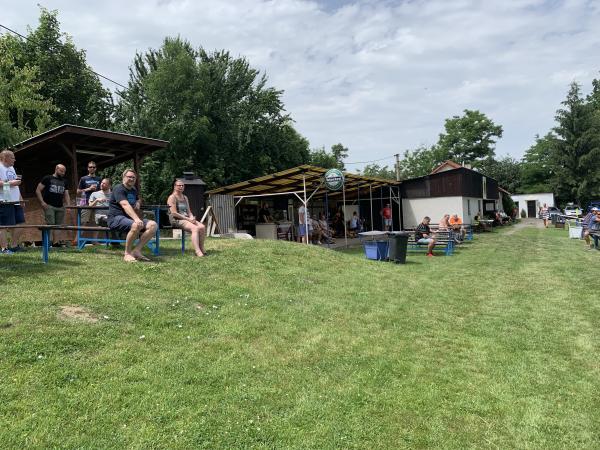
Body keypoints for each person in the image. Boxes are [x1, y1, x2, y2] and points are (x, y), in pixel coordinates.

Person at [107, 168, 157, 262]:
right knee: (136, 224)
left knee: (153, 225)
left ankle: (137, 251)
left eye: (133, 177)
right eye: (129, 177)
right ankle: (127, 254)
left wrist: (138, 201)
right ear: (123, 177)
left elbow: (138, 198)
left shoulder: (133, 189)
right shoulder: (119, 188)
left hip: (129, 219)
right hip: (115, 218)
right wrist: (137, 219)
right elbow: (125, 205)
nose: (131, 179)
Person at [167, 179, 206, 257]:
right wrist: (188, 219)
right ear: (175, 187)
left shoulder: (185, 197)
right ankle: (197, 251)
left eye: (182, 185)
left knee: (202, 227)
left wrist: (191, 217)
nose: (181, 187)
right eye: (179, 185)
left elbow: (189, 211)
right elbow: (174, 213)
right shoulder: (172, 197)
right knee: (195, 228)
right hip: (176, 220)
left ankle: (201, 247)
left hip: (187, 219)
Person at [36, 164, 70, 247]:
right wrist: (42, 202)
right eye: (61, 171)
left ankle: (55, 243)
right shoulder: (47, 178)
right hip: (49, 205)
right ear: (56, 169)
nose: (63, 173)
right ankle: (47, 243)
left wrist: (68, 205)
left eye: (64, 172)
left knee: (58, 226)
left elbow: (66, 194)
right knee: (50, 224)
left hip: (60, 206)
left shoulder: (64, 181)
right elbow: (38, 190)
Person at [0, 150, 25, 254]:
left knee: (20, 223)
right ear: (5, 158)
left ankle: (13, 246)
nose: (14, 160)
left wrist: (20, 198)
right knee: (4, 225)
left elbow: (15, 186)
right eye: (12, 158)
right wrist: (11, 183)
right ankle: (4, 248)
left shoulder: (11, 168)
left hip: (15, 200)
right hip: (4, 199)